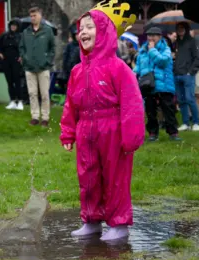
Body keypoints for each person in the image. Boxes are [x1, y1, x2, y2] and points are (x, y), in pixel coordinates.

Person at [60, 3, 145, 241]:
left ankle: (118, 224)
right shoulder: (77, 71)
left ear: (105, 31)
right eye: (81, 29)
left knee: (115, 177)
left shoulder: (118, 68)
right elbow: (70, 105)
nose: (83, 32)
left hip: (113, 129)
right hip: (86, 128)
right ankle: (91, 219)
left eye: (90, 27)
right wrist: (68, 133)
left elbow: (132, 103)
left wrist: (131, 136)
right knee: (88, 176)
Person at [134, 27, 181, 142]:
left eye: (154, 35)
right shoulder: (143, 50)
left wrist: (152, 50)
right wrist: (131, 76)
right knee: (150, 111)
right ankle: (152, 133)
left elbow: (163, 61)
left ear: (160, 37)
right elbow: (138, 67)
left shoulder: (166, 49)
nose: (151, 38)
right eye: (149, 35)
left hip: (164, 85)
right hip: (148, 85)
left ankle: (173, 133)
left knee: (168, 110)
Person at [20, 6, 55, 127]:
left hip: (43, 67)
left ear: (40, 16)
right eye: (31, 16)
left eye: (35, 15)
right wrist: (25, 59)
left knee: (45, 94)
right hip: (29, 68)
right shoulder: (26, 32)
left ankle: (45, 118)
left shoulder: (47, 31)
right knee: (32, 93)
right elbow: (22, 48)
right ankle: (35, 116)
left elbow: (52, 48)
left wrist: (48, 60)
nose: (33, 18)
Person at [174, 22, 199, 131]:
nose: (180, 30)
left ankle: (196, 123)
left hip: (188, 76)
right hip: (177, 75)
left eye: (182, 28)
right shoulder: (177, 43)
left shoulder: (193, 41)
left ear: (186, 29)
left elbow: (198, 59)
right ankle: (186, 123)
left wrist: (190, 72)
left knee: (190, 99)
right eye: (178, 28)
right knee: (181, 100)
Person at [0, 18, 23, 110]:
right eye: (12, 25)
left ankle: (20, 101)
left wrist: (22, 56)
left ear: (18, 27)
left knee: (17, 81)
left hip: (17, 61)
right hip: (6, 61)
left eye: (15, 25)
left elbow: (25, 47)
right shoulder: (5, 35)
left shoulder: (21, 36)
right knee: (9, 81)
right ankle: (13, 101)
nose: (13, 27)